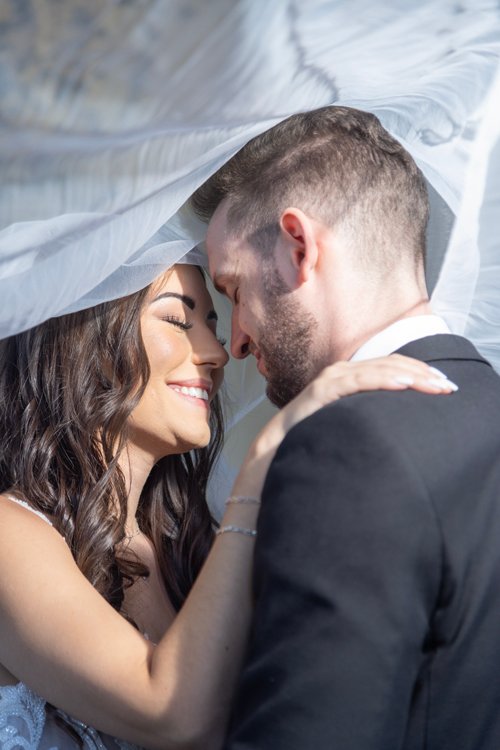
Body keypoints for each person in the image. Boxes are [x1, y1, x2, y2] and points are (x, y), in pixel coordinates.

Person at [0, 261, 451, 749]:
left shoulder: (187, 548)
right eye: (177, 321)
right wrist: (265, 457)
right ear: (83, 342)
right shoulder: (10, 534)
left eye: (213, 327)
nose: (216, 354)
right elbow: (170, 714)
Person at [191, 105, 500, 750]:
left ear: (298, 247)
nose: (237, 341)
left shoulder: (350, 447)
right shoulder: (484, 402)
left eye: (233, 290)